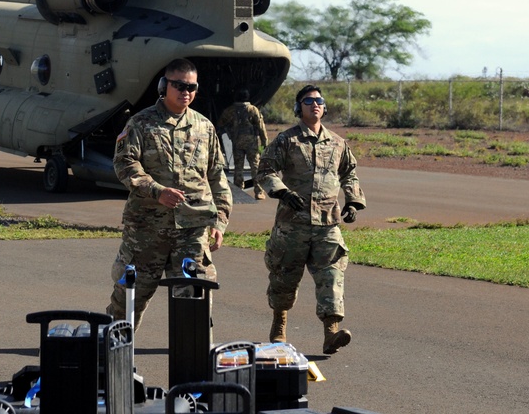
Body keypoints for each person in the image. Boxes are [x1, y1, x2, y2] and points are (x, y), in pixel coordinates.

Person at [107, 59, 233, 330]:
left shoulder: (204, 127)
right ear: (164, 86)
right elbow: (125, 164)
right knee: (131, 295)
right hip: (147, 230)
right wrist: (156, 191)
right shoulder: (140, 123)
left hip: (192, 230)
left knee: (193, 295)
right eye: (178, 85)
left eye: (191, 86)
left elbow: (217, 177)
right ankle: (112, 349)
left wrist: (220, 220)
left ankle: (191, 355)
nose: (185, 91)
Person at [256, 84, 366, 354]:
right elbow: (265, 169)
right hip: (292, 224)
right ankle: (279, 326)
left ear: (324, 107)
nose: (314, 104)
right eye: (308, 100)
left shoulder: (338, 143)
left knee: (332, 276)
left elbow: (349, 173)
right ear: (298, 108)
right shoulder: (287, 140)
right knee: (284, 277)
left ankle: (331, 334)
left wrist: (352, 201)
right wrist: (282, 191)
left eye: (319, 100)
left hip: (327, 224)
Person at [217, 89, 268, 198]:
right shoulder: (252, 109)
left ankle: (238, 189)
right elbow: (261, 127)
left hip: (237, 142)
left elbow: (220, 124)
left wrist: (229, 132)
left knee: (238, 167)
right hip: (252, 143)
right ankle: (259, 191)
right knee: (255, 166)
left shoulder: (230, 110)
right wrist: (264, 143)